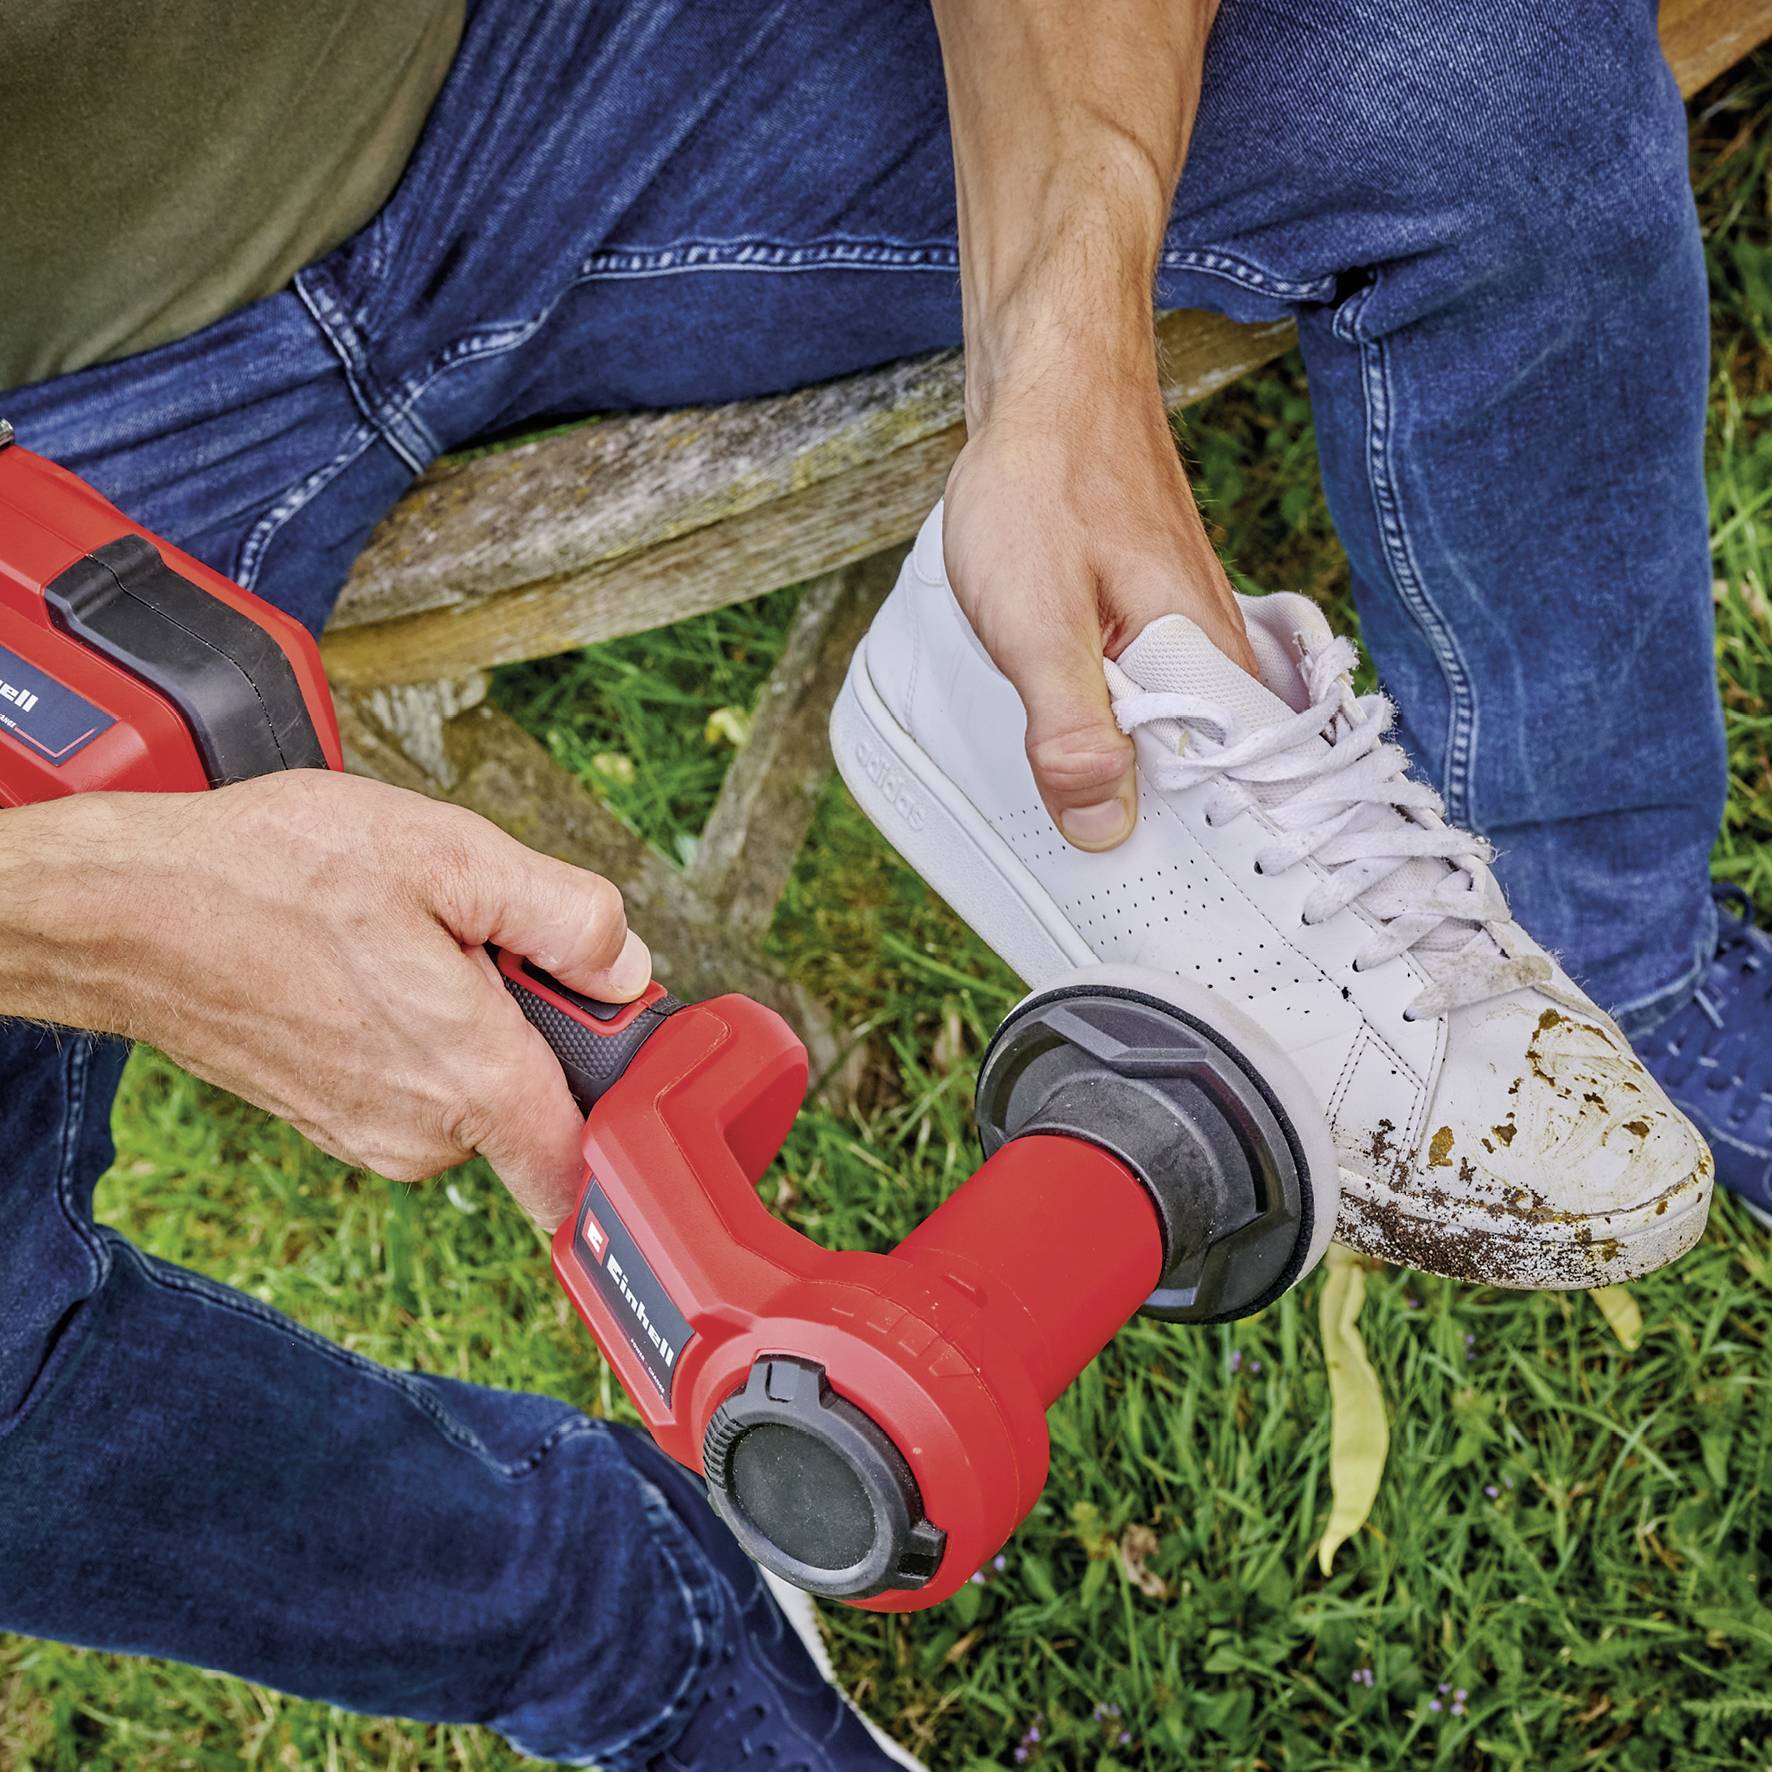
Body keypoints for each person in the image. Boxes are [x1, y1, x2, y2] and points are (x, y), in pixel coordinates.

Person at [0, 1, 1762, 1766]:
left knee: (1485, 66)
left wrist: (1062, 334)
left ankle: (1614, 962)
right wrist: (76, 910)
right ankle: (638, 1629)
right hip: (61, 426)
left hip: (504, 74)